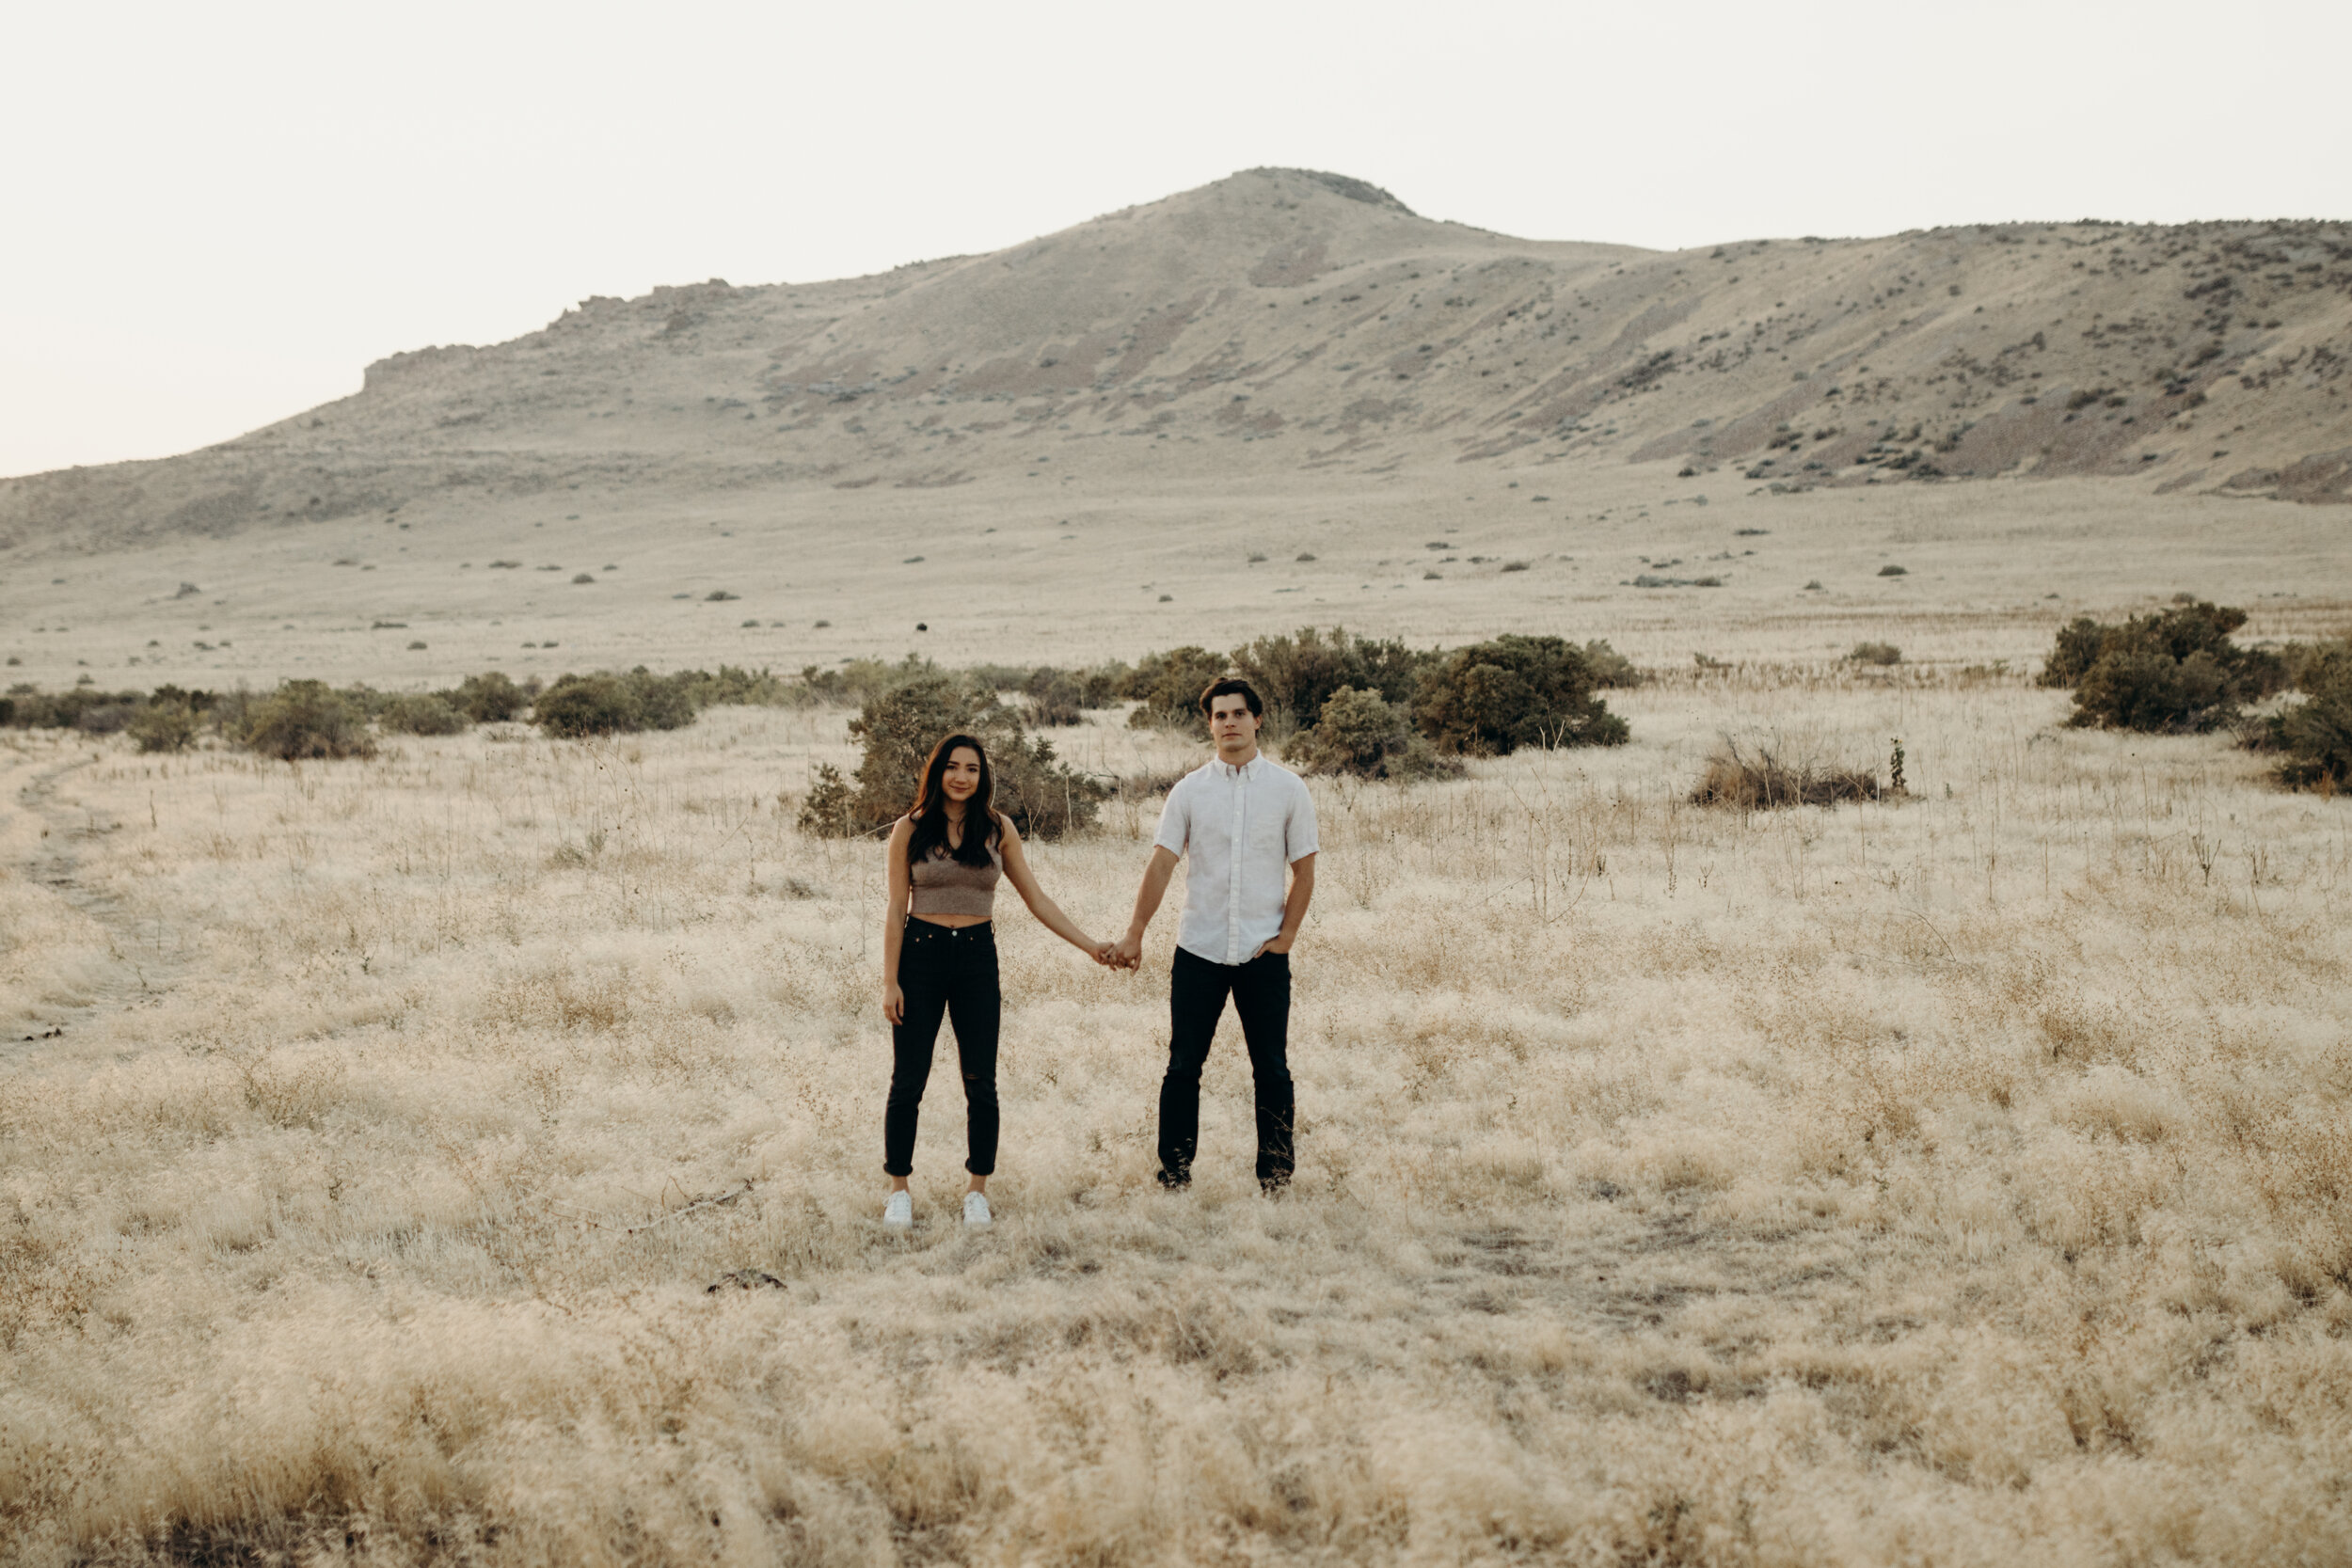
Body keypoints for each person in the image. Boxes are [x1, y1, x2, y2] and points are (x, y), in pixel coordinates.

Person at [880, 733, 1111, 1230]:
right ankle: (898, 1188)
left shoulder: (998, 828)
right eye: (953, 767)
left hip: (977, 959)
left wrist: (1090, 945)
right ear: (937, 770)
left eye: (973, 769)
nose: (962, 777)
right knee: (908, 1081)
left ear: (982, 777)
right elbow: (897, 907)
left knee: (980, 1082)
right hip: (920, 955)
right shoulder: (910, 828)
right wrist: (889, 981)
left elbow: (1037, 899)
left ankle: (976, 1191)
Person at [1111, 676, 1317, 1193]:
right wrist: (1135, 933)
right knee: (1183, 1067)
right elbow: (1160, 865)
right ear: (1210, 724)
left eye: (1238, 713)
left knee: (1271, 1068)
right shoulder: (1189, 792)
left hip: (1262, 952)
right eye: (1220, 715)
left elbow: (1305, 871)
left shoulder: (1289, 789)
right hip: (1198, 949)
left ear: (1258, 719)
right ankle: (1174, 1174)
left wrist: (1286, 937)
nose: (1229, 723)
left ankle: (1275, 1177)